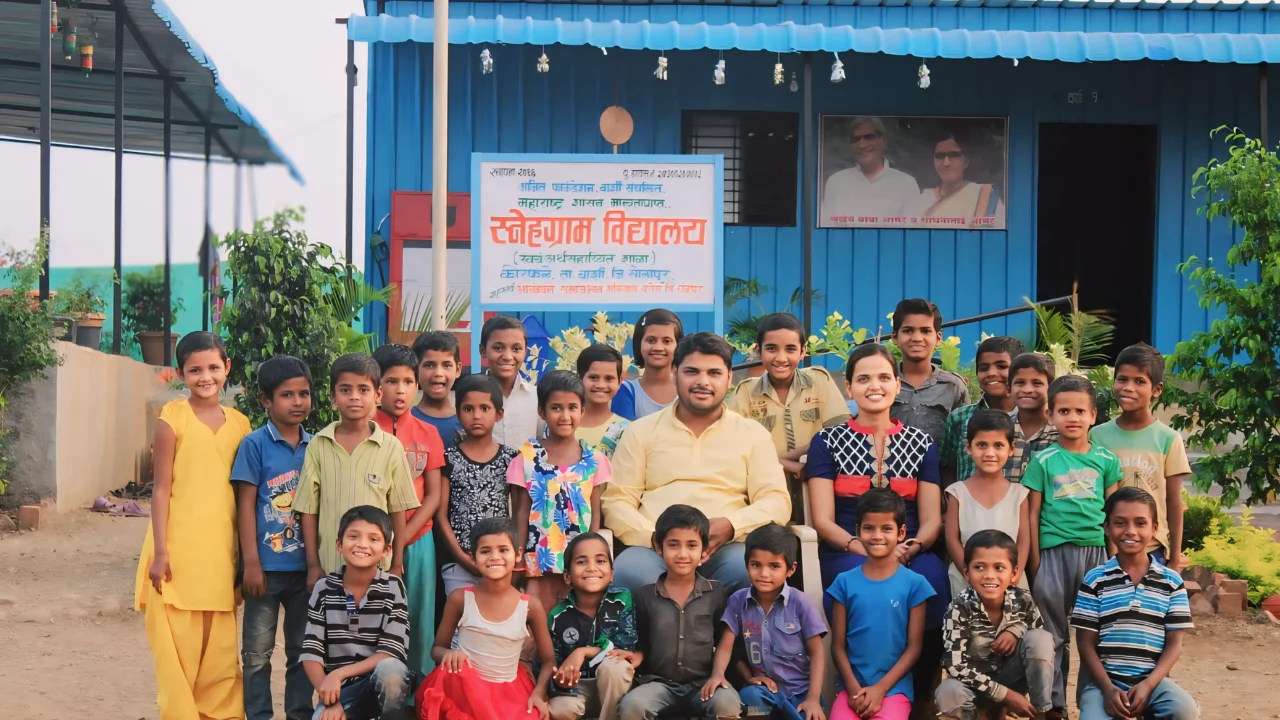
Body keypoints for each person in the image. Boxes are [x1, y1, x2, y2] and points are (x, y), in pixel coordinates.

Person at [807, 344, 950, 715]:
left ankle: (918, 696)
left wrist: (910, 548)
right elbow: (822, 519)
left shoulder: (921, 443)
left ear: (897, 384)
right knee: (854, 588)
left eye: (884, 377)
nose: (875, 385)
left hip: (909, 546)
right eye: (863, 378)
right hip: (847, 547)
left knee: (932, 584)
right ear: (849, 387)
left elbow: (933, 518)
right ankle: (852, 689)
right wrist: (861, 547)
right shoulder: (827, 441)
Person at [604, 332, 791, 594]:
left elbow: (776, 501)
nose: (703, 382)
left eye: (714, 373)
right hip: (654, 551)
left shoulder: (752, 434)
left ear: (729, 378)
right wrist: (658, 539)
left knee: (746, 569)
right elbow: (617, 501)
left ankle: (723, 637)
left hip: (727, 548)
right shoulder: (641, 431)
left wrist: (731, 525)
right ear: (674, 373)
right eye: (692, 372)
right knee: (631, 571)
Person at [135, 332, 252, 720]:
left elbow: (245, 494)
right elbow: (161, 489)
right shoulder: (172, 419)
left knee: (218, 648)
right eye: (195, 369)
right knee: (179, 644)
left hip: (221, 550)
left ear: (227, 368)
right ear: (180, 373)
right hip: (178, 549)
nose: (205, 377)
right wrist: (161, 551)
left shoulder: (241, 424)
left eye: (213, 368)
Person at [1023, 375, 1121, 719]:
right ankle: (1053, 706)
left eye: (1080, 411)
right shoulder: (1043, 460)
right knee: (1052, 635)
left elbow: (1113, 515)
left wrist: (1114, 560)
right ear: (1051, 415)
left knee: (1092, 634)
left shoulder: (1107, 460)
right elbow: (1032, 514)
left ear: (1093, 415)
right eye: (1063, 410)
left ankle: (1090, 701)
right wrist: (1035, 564)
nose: (1072, 418)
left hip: (1096, 556)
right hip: (1052, 554)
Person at [233, 356, 316, 720]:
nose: (298, 402)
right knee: (256, 654)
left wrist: (315, 565)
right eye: (287, 395)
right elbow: (245, 505)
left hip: (304, 571)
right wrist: (250, 562)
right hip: (265, 571)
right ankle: (259, 716)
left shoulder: (317, 446)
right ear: (266, 401)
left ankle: (298, 714)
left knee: (302, 651)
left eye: (304, 393)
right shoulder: (255, 445)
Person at [295, 353, 420, 587]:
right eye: (345, 390)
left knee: (374, 622)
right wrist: (313, 564)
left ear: (378, 395)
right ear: (333, 396)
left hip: (378, 569)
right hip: (331, 567)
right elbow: (309, 510)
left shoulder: (391, 447)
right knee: (333, 623)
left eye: (363, 389)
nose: (354, 397)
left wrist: (396, 563)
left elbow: (398, 509)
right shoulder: (319, 445)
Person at [1073, 487, 1197, 720]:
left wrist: (1149, 685)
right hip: (1104, 685)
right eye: (1120, 523)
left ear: (1154, 529)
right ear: (1107, 528)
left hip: (1152, 683)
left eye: (1140, 523)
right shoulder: (1095, 580)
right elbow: (1085, 644)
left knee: (1184, 710)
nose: (1130, 531)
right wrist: (1108, 689)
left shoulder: (1171, 581)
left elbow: (1174, 645)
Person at [416, 517, 556, 720]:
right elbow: (436, 650)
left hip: (508, 690)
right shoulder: (460, 598)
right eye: (485, 551)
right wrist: (450, 654)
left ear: (517, 555)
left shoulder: (529, 606)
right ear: (473, 557)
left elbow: (549, 660)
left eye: (503, 550)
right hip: (462, 689)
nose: (494, 557)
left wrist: (538, 694)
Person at [617, 505, 741, 720]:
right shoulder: (645, 595)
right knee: (632, 706)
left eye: (691, 545)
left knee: (728, 704)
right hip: (658, 685)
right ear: (658, 545)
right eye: (673, 545)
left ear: (704, 549)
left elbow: (725, 641)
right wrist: (637, 656)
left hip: (704, 684)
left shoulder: (716, 593)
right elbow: (643, 641)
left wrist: (719, 675)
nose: (682, 554)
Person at [826, 489, 936, 720]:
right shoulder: (844, 583)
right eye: (869, 528)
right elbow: (837, 647)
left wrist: (880, 690)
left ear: (901, 533)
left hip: (894, 691)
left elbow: (914, 648)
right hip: (851, 690)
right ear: (857, 532)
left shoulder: (915, 585)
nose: (877, 536)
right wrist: (854, 689)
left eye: (886, 528)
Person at [371, 343, 446, 679]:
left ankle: (419, 693)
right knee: (372, 615)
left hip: (419, 539)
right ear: (376, 386)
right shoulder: (365, 429)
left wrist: (404, 537)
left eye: (408, 381)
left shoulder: (428, 433)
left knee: (418, 614)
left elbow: (433, 495)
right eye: (391, 381)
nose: (400, 390)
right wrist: (385, 539)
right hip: (372, 541)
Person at [510, 370, 614, 610]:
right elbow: (520, 514)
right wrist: (518, 563)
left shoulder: (595, 461)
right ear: (541, 412)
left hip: (579, 565)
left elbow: (595, 514)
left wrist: (593, 559)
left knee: (576, 621)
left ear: (582, 411)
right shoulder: (526, 458)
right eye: (556, 408)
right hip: (538, 563)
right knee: (536, 623)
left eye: (572, 408)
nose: (565, 416)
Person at [702, 523, 828, 720]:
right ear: (746, 565)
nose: (764, 574)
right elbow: (726, 647)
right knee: (748, 696)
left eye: (774, 566)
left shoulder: (800, 603)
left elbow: (817, 652)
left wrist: (812, 698)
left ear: (790, 569)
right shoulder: (738, 601)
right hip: (764, 692)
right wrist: (719, 675)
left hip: (800, 692)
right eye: (756, 565)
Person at [301, 506, 414, 720]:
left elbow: (391, 652)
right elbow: (311, 652)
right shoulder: (324, 588)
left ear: (386, 550)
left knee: (392, 671)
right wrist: (330, 700)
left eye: (373, 539)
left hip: (377, 686)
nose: (362, 544)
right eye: (353, 536)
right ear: (339, 544)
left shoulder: (393, 587)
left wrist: (338, 673)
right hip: (340, 691)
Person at [1090, 343, 1192, 570]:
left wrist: (1175, 557)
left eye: (1139, 381)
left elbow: (1174, 502)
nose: (1128, 387)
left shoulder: (1168, 439)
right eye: (1122, 379)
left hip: (1153, 549)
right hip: (1106, 545)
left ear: (1157, 390)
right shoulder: (1097, 435)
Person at [935, 530, 1053, 720]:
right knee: (947, 692)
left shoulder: (1022, 600)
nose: (989, 575)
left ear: (1014, 573)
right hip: (974, 689)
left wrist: (1016, 630)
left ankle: (1039, 713)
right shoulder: (959, 607)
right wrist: (1005, 695)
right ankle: (983, 714)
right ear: (966, 572)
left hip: (1012, 679)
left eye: (999, 568)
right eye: (979, 567)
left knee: (1041, 640)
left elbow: (1039, 639)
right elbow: (955, 666)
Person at [727, 312, 851, 483]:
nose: (781, 358)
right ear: (758, 351)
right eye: (771, 348)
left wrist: (787, 457)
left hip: (815, 485)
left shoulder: (819, 381)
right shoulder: (746, 392)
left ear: (803, 351)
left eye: (790, 349)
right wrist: (786, 465)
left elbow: (841, 436)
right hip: (764, 488)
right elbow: (735, 450)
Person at [436, 374, 520, 594]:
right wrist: (462, 558)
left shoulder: (511, 459)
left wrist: (513, 556)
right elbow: (441, 516)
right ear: (458, 413)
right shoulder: (448, 458)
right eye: (468, 409)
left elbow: (520, 512)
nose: (476, 416)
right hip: (459, 563)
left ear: (499, 414)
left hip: (499, 561)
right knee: (461, 622)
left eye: (485, 408)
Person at [547, 532, 639, 720]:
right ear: (567, 576)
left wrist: (582, 652)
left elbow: (624, 647)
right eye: (581, 562)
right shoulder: (558, 616)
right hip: (577, 688)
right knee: (558, 709)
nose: (592, 568)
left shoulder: (621, 600)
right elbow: (552, 665)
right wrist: (560, 678)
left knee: (615, 667)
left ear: (612, 574)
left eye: (600, 561)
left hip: (614, 686)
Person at [942, 410, 1030, 598]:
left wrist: (1014, 573)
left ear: (1011, 449)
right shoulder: (957, 492)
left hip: (1010, 581)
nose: (990, 453)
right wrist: (969, 573)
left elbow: (1023, 541)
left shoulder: (1019, 494)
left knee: (1013, 627)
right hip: (965, 581)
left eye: (998, 445)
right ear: (968, 447)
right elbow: (952, 539)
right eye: (982, 445)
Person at [940, 336, 1025, 488]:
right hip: (967, 508)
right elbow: (947, 466)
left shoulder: (1029, 418)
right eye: (984, 368)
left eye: (1001, 366)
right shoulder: (960, 417)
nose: (991, 373)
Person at [888, 299, 968, 445]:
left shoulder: (953, 386)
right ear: (894, 337)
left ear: (938, 338)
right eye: (908, 330)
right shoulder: (884, 382)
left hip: (940, 468)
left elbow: (964, 439)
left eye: (925, 331)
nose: (917, 338)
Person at [820, 117, 921, 225]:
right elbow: (826, 230)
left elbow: (913, 233)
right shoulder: (836, 182)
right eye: (856, 139)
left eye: (869, 137)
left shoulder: (907, 184)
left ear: (883, 141)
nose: (862, 145)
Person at [907, 132, 1006, 229]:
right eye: (939, 156)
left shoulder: (984, 195)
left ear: (966, 161)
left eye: (954, 155)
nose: (946, 163)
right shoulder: (922, 199)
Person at [612, 308, 683, 421]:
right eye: (651, 340)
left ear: (678, 345)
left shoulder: (686, 390)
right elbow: (626, 436)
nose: (658, 348)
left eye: (667, 341)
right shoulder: (626, 391)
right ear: (639, 343)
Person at [481, 315, 541, 446]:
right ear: (483, 351)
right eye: (498, 348)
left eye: (516, 349)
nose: (508, 356)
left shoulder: (537, 398)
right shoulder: (470, 397)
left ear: (525, 352)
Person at [1004, 353, 1058, 484]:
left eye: (1037, 383)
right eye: (1020, 383)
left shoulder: (1061, 433)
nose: (1027, 389)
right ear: (1009, 389)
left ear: (1051, 389)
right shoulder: (1000, 430)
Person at [412, 330, 465, 452]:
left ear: (458, 370)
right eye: (429, 365)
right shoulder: (406, 421)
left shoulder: (467, 421)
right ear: (415, 369)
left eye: (446, 365)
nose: (438, 373)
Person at [575, 343, 631, 459]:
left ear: (620, 382)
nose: (601, 385)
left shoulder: (625, 430)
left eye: (609, 379)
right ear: (579, 378)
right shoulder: (560, 423)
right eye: (593, 377)